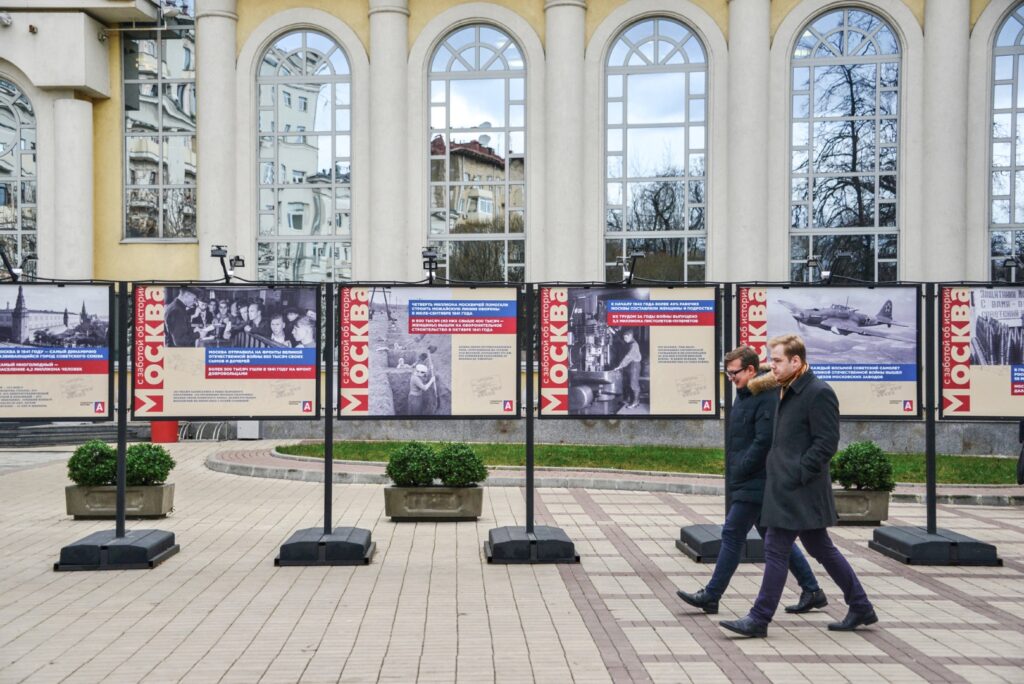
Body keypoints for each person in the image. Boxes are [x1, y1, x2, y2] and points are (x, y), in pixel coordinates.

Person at [720, 334, 877, 638]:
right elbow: (758, 384)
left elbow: (826, 443)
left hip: (799, 487)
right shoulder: (785, 387)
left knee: (776, 548)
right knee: (822, 549)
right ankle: (860, 605)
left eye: (776, 361)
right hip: (787, 485)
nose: (771, 367)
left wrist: (798, 472)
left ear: (796, 361)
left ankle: (759, 618)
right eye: (770, 360)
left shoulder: (818, 393)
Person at [676, 346, 826, 616]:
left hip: (758, 479)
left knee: (732, 533)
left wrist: (742, 467)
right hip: (748, 479)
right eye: (728, 373)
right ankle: (812, 589)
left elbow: (763, 441)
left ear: (750, 369)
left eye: (734, 373)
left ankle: (712, 594)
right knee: (772, 536)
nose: (731, 378)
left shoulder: (765, 396)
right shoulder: (745, 394)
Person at [613, 328, 642, 409]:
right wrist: (613, 333)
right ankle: (628, 399)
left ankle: (636, 402)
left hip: (634, 366)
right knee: (627, 383)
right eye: (623, 337)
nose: (624, 339)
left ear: (630, 336)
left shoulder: (634, 345)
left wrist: (620, 366)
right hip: (629, 365)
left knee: (633, 384)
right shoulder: (629, 342)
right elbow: (622, 341)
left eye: (625, 337)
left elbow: (628, 357)